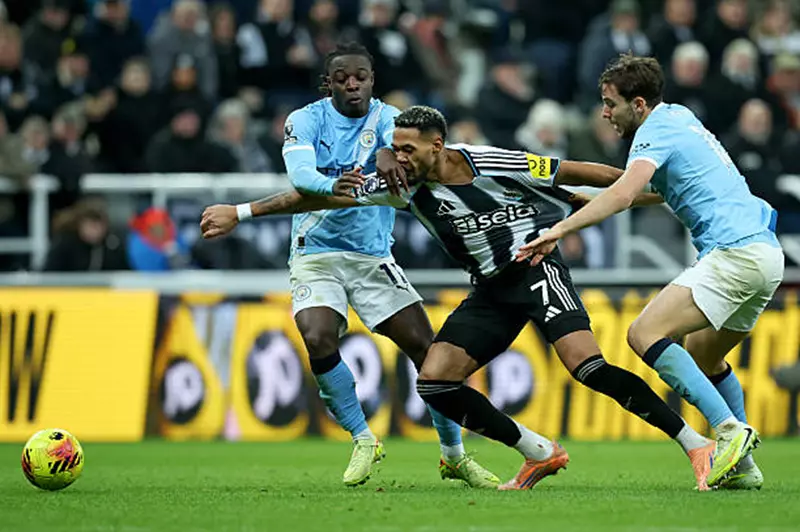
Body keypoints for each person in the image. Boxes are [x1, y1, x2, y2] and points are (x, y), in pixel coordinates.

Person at [201, 105, 718, 491]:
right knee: (435, 381)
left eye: (409, 149)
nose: (399, 158)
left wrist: (645, 187)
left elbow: (573, 171)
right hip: (490, 290)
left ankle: (695, 445)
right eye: (395, 148)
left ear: (439, 145)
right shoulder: (400, 185)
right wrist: (241, 212)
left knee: (587, 367)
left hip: (536, 269)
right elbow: (316, 195)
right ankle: (537, 450)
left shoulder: (489, 160)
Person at [519, 54, 779, 490]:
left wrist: (560, 229)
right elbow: (660, 190)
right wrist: (592, 200)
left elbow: (623, 193)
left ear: (638, 105)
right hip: (766, 256)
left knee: (644, 333)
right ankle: (744, 466)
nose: (605, 113)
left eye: (611, 103)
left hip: (733, 254)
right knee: (705, 356)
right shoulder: (680, 117)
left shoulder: (653, 132)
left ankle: (730, 433)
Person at [254, 43, 497, 488]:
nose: (352, 84)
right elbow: (300, 177)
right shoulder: (304, 120)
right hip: (316, 253)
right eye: (342, 78)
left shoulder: (389, 118)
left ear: (371, 80)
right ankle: (363, 438)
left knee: (429, 352)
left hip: (372, 257)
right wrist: (331, 185)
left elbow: (398, 147)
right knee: (317, 335)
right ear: (328, 84)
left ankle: (453, 456)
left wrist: (387, 153)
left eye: (360, 77)